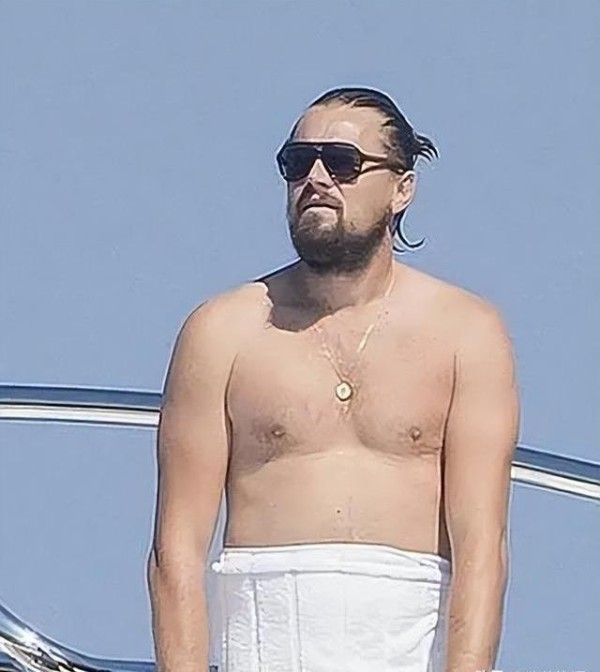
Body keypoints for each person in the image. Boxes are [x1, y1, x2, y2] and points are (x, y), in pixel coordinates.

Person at [147, 87, 520, 672]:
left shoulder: (465, 333)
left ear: (402, 188)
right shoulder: (221, 332)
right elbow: (175, 551)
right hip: (264, 647)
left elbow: (483, 549)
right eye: (297, 163)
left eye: (342, 163)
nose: (316, 179)